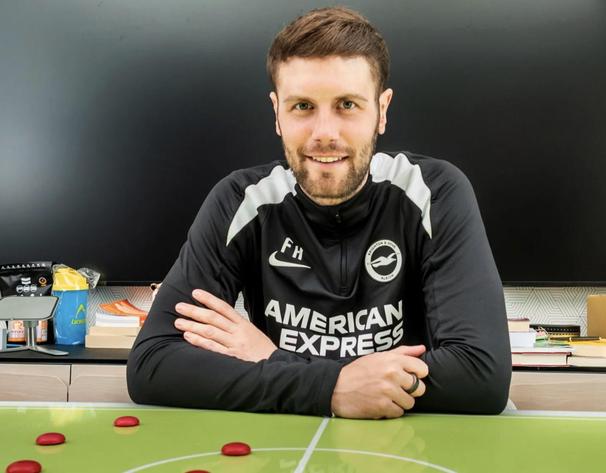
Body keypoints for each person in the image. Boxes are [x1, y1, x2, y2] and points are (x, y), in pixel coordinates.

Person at [127, 6, 511, 419]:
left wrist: (275, 360)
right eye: (303, 106)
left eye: (347, 104)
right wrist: (333, 388)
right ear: (277, 112)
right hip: (281, 442)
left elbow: (481, 376)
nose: (325, 133)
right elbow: (153, 364)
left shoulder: (433, 192)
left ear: (382, 110)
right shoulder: (240, 200)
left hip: (406, 442)